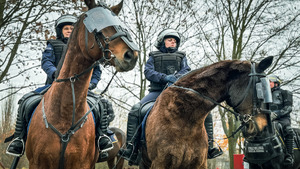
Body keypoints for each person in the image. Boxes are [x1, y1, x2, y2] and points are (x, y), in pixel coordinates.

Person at [6, 15, 113, 157]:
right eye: (66, 28)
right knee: (27, 101)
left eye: (72, 28)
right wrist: (55, 75)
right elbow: (46, 62)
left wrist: (92, 83)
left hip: (80, 89)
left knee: (100, 104)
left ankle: (101, 137)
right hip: (53, 85)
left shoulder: (85, 49)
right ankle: (19, 139)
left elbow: (96, 69)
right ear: (60, 31)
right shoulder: (53, 45)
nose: (69, 30)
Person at [119, 28, 222, 165]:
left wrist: (177, 78)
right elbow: (148, 72)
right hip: (156, 93)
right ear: (162, 41)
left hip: (178, 92)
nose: (173, 42)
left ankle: (210, 146)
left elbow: (186, 70)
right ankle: (131, 149)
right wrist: (164, 78)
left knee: (205, 112)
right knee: (135, 110)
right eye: (170, 40)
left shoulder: (181, 57)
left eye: (175, 41)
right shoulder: (153, 56)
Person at [268, 74, 294, 166]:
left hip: (283, 119)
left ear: (276, 83)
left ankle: (289, 155)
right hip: (267, 119)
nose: (268, 83)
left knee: (287, 130)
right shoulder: (263, 96)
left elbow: (288, 108)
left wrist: (276, 114)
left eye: (270, 82)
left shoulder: (285, 93)